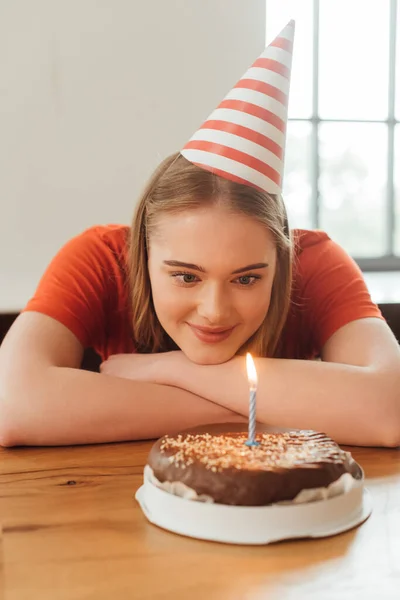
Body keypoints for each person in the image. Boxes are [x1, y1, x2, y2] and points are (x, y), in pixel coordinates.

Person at [0, 22, 399, 448]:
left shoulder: (316, 262)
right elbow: (11, 406)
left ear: (282, 259)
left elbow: (391, 409)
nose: (214, 311)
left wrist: (173, 370)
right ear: (142, 252)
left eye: (246, 279)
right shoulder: (100, 258)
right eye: (186, 276)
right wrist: (258, 406)